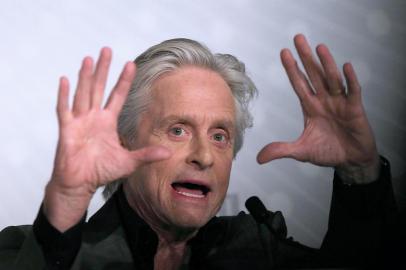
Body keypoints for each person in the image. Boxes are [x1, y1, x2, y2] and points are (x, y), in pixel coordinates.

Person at [0, 34, 398, 270]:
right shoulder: (25, 252)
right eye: (177, 130)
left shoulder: (258, 251)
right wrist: (68, 200)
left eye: (220, 136)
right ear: (123, 142)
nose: (204, 156)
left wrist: (360, 173)